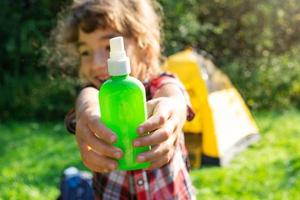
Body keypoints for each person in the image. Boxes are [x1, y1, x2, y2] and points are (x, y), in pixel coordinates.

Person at [54, 0, 196, 199]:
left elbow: (174, 97)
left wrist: (171, 114)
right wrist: (87, 111)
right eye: (85, 51)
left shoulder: (160, 84)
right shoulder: (98, 93)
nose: (95, 64)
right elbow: (87, 101)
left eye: (109, 47)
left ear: (143, 46)